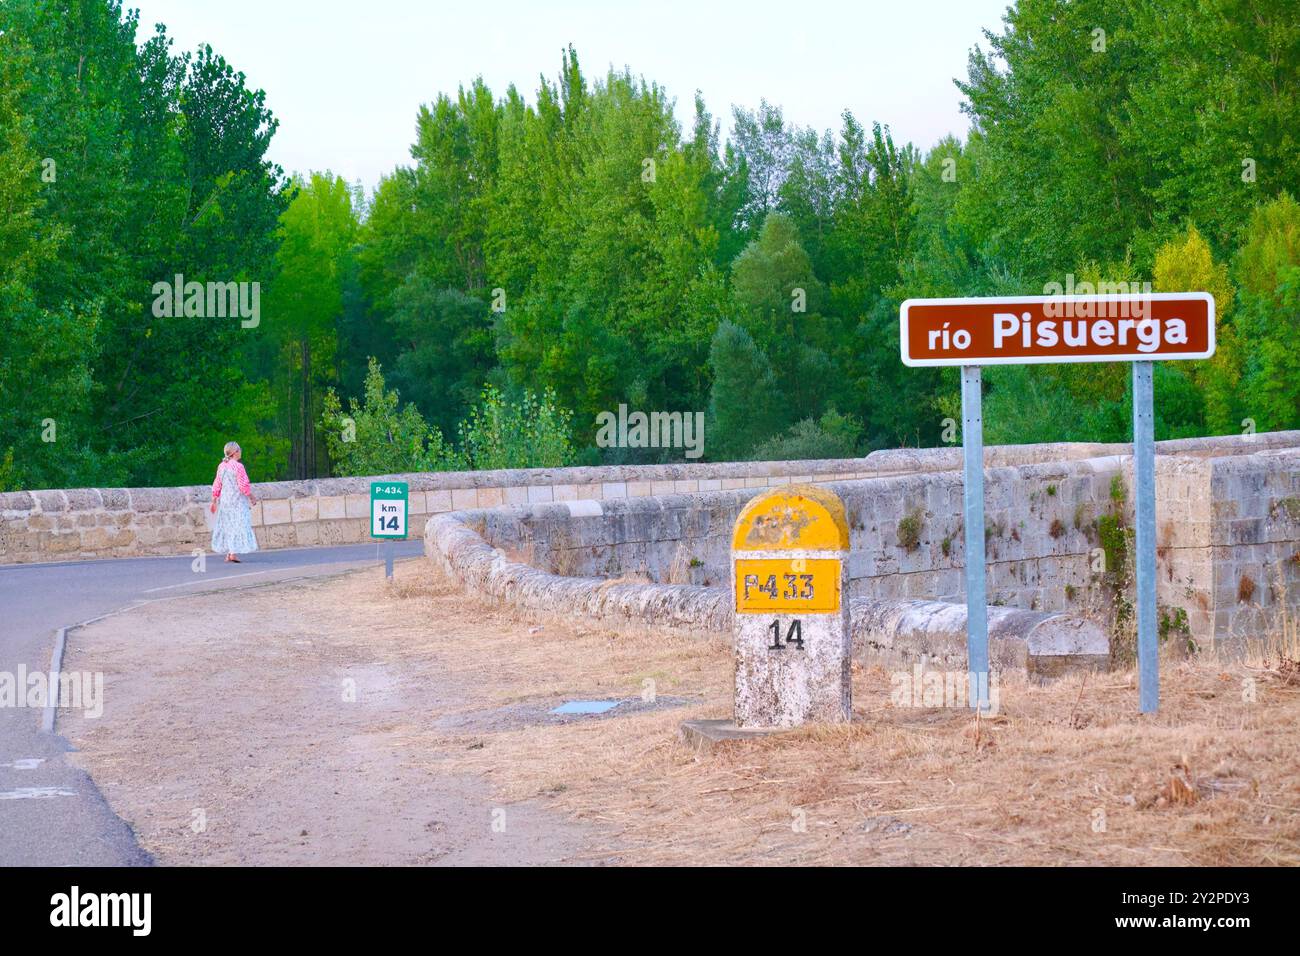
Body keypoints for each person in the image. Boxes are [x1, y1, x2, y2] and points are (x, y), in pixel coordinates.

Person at [210, 441, 258, 562]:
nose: (241, 451)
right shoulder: (238, 467)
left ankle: (230, 553)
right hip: (237, 502)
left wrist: (214, 500)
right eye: (240, 449)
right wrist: (251, 496)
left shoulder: (221, 466)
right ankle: (232, 553)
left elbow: (217, 484)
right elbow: (243, 486)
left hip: (225, 501)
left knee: (228, 526)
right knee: (238, 526)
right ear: (235, 452)